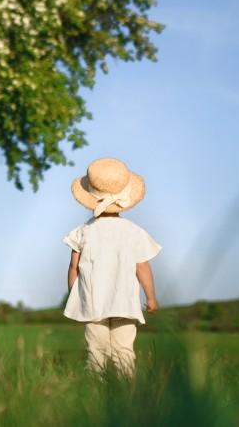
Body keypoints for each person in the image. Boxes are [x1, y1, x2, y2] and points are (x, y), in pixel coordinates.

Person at [62, 157, 161, 377]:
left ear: (91, 197)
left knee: (96, 352)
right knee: (124, 351)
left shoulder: (82, 232)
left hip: (93, 301)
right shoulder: (133, 231)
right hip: (124, 302)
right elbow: (142, 267)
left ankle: (96, 395)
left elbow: (73, 267)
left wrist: (73, 294)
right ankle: (127, 399)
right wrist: (151, 297)